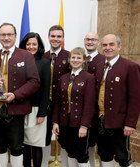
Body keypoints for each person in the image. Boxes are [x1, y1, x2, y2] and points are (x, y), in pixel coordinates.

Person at [0, 23, 40, 167]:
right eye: (3, 35)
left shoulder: (26, 56)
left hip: (16, 109)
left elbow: (34, 81)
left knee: (16, 146)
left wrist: (16, 95)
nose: (6, 38)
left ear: (15, 36)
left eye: (9, 35)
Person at [94, 34, 140, 167]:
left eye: (111, 44)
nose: (108, 48)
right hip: (101, 120)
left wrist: (130, 123)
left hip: (120, 123)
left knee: (123, 157)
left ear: (119, 46)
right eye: (105, 45)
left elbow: (135, 97)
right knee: (104, 154)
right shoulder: (99, 66)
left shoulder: (130, 67)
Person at [52, 47, 96, 167]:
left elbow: (89, 105)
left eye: (78, 58)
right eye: (73, 57)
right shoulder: (64, 78)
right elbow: (58, 103)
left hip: (80, 124)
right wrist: (55, 122)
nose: (75, 60)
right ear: (69, 59)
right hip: (65, 123)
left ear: (83, 60)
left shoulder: (89, 78)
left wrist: (84, 125)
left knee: (81, 155)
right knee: (70, 152)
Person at [19, 32, 50, 167]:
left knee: (36, 145)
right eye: (28, 44)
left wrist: (42, 113)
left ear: (39, 46)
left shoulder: (44, 63)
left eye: (34, 44)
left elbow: (46, 89)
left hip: (37, 110)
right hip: (20, 109)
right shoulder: (18, 61)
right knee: (24, 145)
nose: (31, 47)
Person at [42, 25, 70, 167]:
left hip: (63, 105)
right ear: (48, 37)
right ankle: (44, 163)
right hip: (45, 104)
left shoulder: (70, 57)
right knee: (45, 137)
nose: (55, 39)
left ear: (63, 39)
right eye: (53, 36)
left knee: (64, 138)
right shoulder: (43, 56)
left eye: (59, 36)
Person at [84, 32, 105, 167]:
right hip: (84, 110)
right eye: (87, 39)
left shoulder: (103, 60)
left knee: (103, 145)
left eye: (93, 40)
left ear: (98, 43)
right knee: (88, 143)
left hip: (99, 110)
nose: (90, 42)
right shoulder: (79, 58)